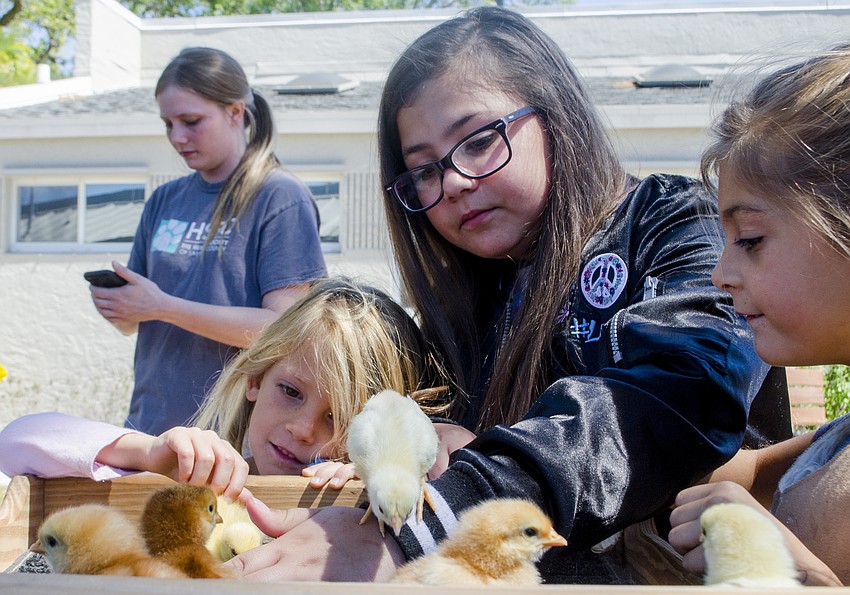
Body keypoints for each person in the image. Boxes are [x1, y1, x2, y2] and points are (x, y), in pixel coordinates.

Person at [226, 7, 777, 584]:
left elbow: (676, 396)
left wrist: (442, 516)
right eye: (425, 171)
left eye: (480, 141)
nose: (455, 182)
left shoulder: (673, 224)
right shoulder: (460, 305)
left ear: (555, 115)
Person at [0, 278, 455, 502]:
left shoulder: (381, 509)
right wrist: (148, 454)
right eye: (291, 391)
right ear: (255, 379)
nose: (302, 430)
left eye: (339, 418)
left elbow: (460, 465)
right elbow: (18, 442)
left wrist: (390, 480)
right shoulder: (203, 478)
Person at [667, 44, 850, 587]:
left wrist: (785, 569)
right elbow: (701, 475)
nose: (720, 274)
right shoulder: (833, 442)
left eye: (750, 239)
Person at [88, 47, 326, 436]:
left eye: (191, 121)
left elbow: (284, 330)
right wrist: (122, 307)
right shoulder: (165, 200)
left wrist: (162, 306)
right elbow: (137, 323)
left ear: (235, 112)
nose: (177, 137)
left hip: (230, 439)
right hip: (152, 430)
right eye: (167, 124)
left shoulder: (278, 197)